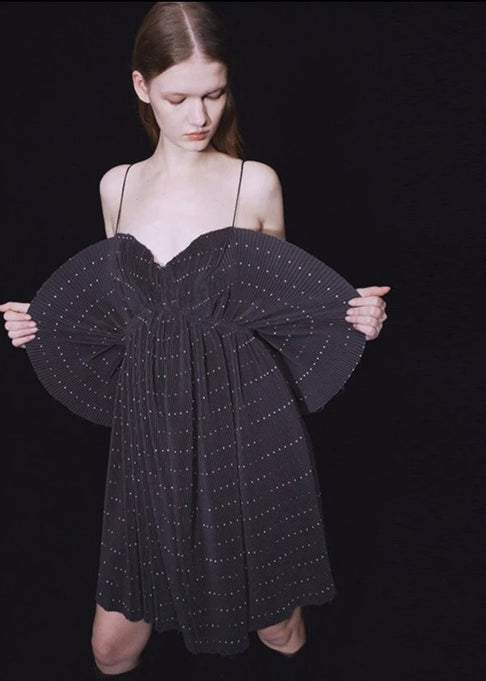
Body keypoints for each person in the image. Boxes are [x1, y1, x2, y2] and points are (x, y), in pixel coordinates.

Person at [1, 3, 389, 679]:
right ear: (141, 85)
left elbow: (285, 307)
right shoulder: (117, 186)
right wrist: (44, 322)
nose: (199, 116)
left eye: (214, 93)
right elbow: (126, 312)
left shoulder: (253, 181)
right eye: (178, 98)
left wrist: (354, 316)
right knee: (110, 649)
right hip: (149, 428)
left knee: (278, 629)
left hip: (245, 422)